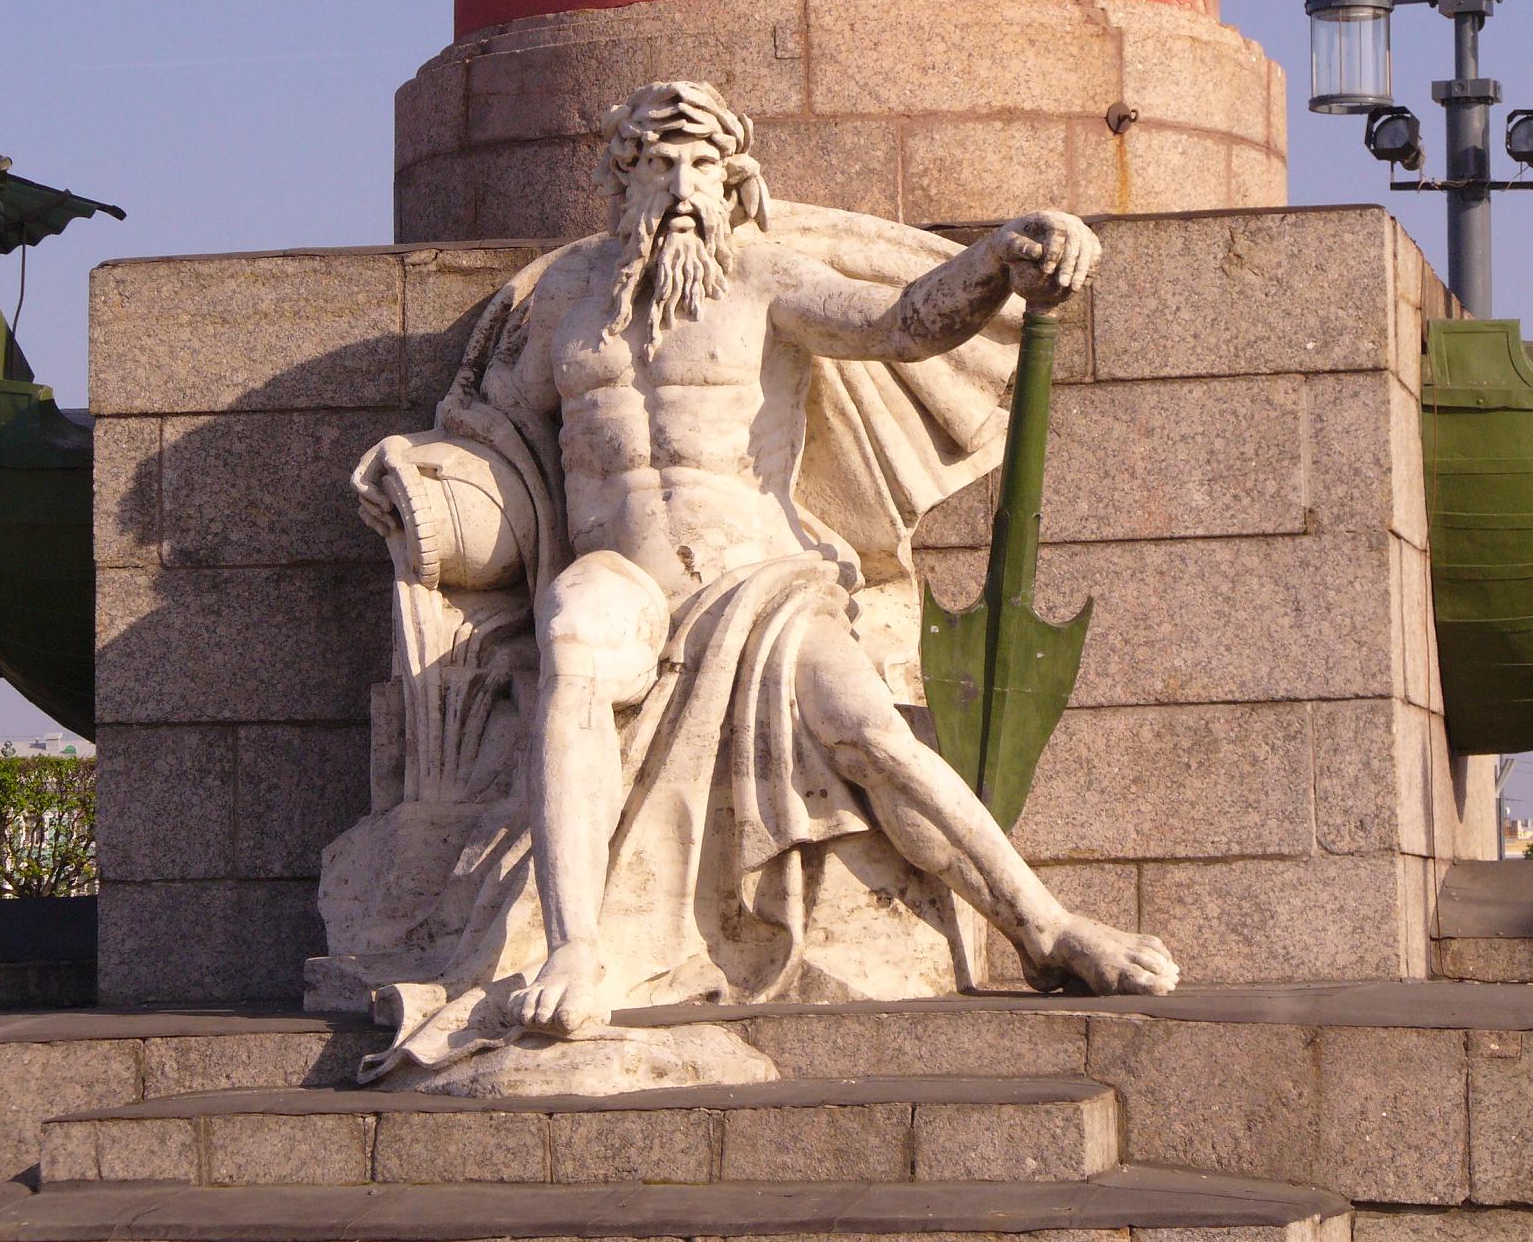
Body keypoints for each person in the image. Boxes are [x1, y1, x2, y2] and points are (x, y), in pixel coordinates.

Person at [351, 81, 1177, 1066]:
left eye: (702, 166)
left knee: (869, 733)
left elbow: (901, 324)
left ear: (732, 178)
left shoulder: (761, 277)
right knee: (571, 637)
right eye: (662, 165)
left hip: (756, 578)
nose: (683, 186)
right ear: (624, 179)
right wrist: (422, 477)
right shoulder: (568, 296)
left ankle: (1046, 928)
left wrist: (998, 255)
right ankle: (574, 949)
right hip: (621, 573)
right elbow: (503, 430)